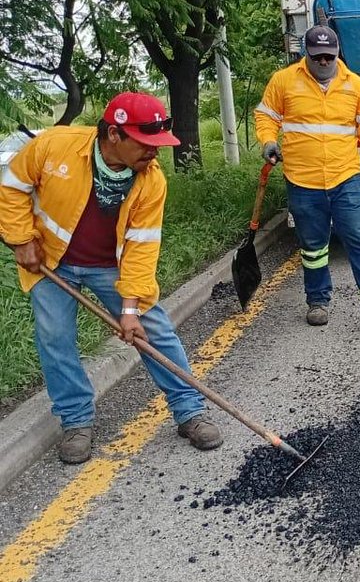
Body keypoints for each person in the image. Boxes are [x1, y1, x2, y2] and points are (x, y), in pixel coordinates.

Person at [0, 93, 222, 464]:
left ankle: (190, 411)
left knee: (153, 330)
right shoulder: (55, 146)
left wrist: (130, 309)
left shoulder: (151, 180)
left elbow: (142, 248)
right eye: (145, 143)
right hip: (52, 261)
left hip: (110, 266)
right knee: (55, 338)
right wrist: (21, 240)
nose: (154, 151)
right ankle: (76, 422)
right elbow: (11, 187)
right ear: (114, 135)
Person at [255, 25, 360, 331]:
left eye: (328, 56)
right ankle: (317, 301)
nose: (323, 61)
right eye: (317, 56)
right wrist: (268, 141)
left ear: (337, 54)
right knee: (312, 246)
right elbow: (266, 116)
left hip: (344, 178)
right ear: (305, 54)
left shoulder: (357, 86)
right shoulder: (284, 81)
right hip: (302, 180)